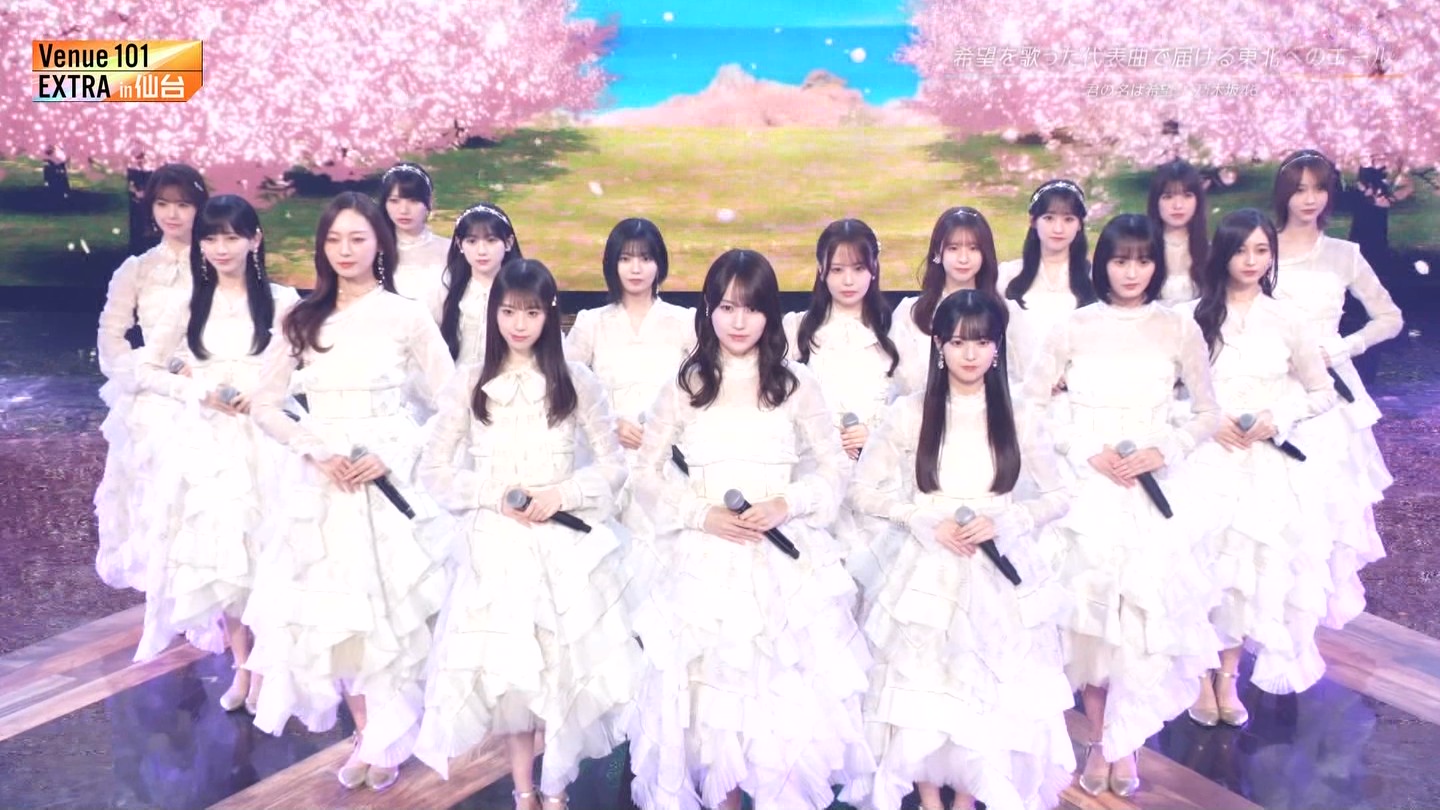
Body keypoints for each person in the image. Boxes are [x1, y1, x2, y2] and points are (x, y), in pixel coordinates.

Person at [627, 249, 874, 810]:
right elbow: (644, 473)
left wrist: (787, 503)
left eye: (752, 309)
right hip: (704, 563)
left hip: (783, 563)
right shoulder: (685, 384)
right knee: (710, 710)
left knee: (779, 707)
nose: (739, 322)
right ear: (708, 309)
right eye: (726, 308)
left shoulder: (797, 384)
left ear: (770, 314)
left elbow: (835, 469)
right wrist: (701, 514)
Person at [243, 192, 455, 792]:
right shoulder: (301, 318)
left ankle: (390, 734)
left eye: (357, 238)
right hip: (322, 484)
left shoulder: (406, 315)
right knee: (338, 615)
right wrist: (314, 448)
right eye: (334, 239)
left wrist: (396, 452)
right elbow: (265, 405)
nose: (345, 250)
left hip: (388, 479)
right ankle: (366, 733)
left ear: (379, 243)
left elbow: (454, 402)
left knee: (389, 608)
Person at [416, 258, 642, 810]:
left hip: (564, 545)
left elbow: (613, 466)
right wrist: (496, 496)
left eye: (532, 312)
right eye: (509, 312)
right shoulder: (470, 381)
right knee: (513, 678)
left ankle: (556, 789)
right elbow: (434, 471)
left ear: (550, 314)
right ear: (494, 313)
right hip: (495, 548)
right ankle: (523, 791)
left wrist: (560, 495)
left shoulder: (577, 380)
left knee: (561, 672)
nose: (519, 324)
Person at [842, 290, 1075, 810]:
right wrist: (921, 519)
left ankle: (968, 797)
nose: (970, 354)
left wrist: (1008, 519)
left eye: (982, 342)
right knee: (925, 682)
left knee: (987, 682)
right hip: (925, 568)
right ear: (939, 346)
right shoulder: (909, 412)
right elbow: (862, 491)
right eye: (958, 342)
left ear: (997, 348)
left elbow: (1060, 495)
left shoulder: (1020, 414)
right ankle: (929, 797)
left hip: (998, 566)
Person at [1021, 214, 1223, 798]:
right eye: (1119, 260)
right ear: (1101, 263)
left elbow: (1208, 413)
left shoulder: (1178, 328)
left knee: (1140, 621)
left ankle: (1127, 742)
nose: (1131, 272)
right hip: (1088, 493)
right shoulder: (1073, 326)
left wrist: (1165, 449)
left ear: (1156, 265)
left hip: (1153, 493)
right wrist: (1085, 449)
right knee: (1092, 625)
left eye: (1142, 260)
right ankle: (1098, 738)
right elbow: (1030, 406)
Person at [130, 196, 301, 724]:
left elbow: (308, 370)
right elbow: (147, 369)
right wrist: (198, 391)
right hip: (210, 444)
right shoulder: (190, 301)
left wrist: (265, 393)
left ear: (255, 239)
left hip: (267, 440)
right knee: (223, 560)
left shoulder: (283, 300)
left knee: (268, 554)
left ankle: (269, 669)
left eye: (231, 236)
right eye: (211, 238)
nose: (221, 248)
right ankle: (242, 666)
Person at [1183, 208, 1338, 726]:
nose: (1250, 261)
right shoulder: (1190, 317)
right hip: (1205, 461)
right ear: (1221, 254)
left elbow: (1322, 392)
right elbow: (1161, 394)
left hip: (1265, 465)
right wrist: (1206, 421)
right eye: (1240, 250)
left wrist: (1278, 417)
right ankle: (1198, 675)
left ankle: (1228, 677)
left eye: (1261, 250)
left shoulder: (1288, 319)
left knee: (1248, 575)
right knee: (1205, 568)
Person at [1272, 149, 1403, 628]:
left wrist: (1343, 346)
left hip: (1331, 393)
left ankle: (1309, 614)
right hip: (1272, 386)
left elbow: (1390, 318)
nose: (1310, 199)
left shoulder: (1345, 254)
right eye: (1299, 189)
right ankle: (1273, 610)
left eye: (1319, 189)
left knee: (1325, 499)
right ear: (1283, 194)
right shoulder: (1260, 249)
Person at [94, 163, 209, 592]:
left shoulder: (216, 261)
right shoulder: (136, 269)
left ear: (199, 208)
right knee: (152, 496)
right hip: (150, 397)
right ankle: (165, 593)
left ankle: (206, 591)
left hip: (205, 388)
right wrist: (138, 372)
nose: (172, 214)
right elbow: (111, 335)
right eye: (163, 204)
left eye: (183, 205)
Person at [891, 208, 1002, 394]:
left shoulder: (1004, 313)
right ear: (938, 252)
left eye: (973, 248)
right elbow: (902, 382)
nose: (963, 259)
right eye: (953, 248)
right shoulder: (909, 314)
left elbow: (1019, 379)